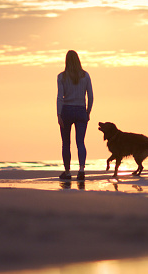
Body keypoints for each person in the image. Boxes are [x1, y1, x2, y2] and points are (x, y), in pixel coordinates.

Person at [57, 50, 93, 180]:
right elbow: (91, 96)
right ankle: (82, 170)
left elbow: (60, 97)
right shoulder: (85, 75)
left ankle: (67, 172)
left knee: (66, 143)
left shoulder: (61, 76)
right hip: (81, 110)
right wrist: (88, 112)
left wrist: (58, 114)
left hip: (66, 110)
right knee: (80, 142)